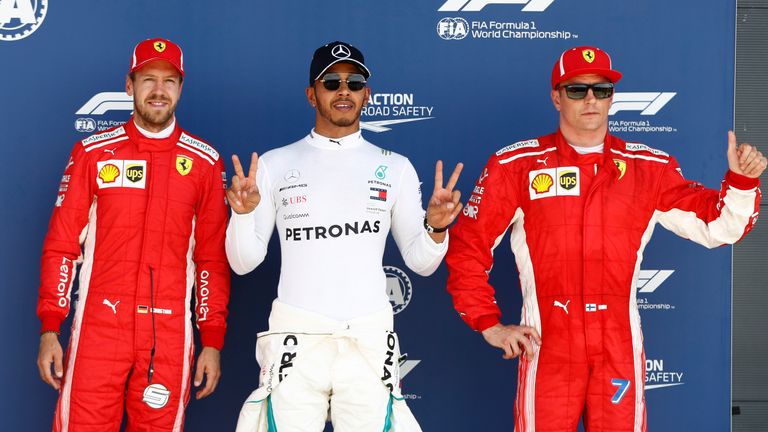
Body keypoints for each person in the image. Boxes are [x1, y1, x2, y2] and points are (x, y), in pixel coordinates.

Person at [446, 45, 765, 431]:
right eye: (578, 90)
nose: (591, 99)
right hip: (548, 346)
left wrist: (742, 182)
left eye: (602, 89)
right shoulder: (516, 166)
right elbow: (468, 248)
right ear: (556, 97)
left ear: (613, 96)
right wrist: (488, 323)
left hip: (618, 346)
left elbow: (720, 228)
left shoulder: (649, 168)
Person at [227, 41, 463, 432]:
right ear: (311, 94)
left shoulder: (395, 167)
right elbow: (243, 261)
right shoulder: (274, 164)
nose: (344, 91)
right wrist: (241, 215)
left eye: (354, 83)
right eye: (331, 82)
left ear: (366, 94)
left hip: (368, 340)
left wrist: (436, 228)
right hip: (296, 340)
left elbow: (421, 263)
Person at [36, 38, 230, 431]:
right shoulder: (93, 153)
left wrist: (212, 340)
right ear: (129, 86)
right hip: (99, 331)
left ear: (180, 89)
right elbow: (61, 246)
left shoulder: (204, 162)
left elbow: (210, 259)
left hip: (169, 335)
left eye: (169, 81)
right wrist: (50, 327)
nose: (158, 91)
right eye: (148, 80)